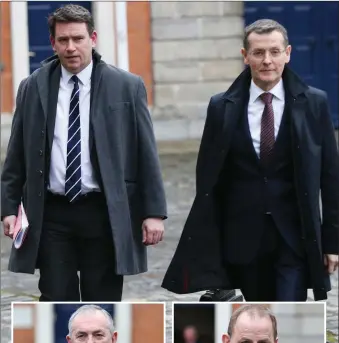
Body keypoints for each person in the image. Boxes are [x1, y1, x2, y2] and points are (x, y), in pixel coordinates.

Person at [162, 19, 339, 301]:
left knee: (288, 309)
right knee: (258, 309)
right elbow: (208, 181)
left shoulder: (314, 103)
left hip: (294, 237)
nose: (267, 60)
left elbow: (331, 178)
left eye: (274, 51)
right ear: (245, 57)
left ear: (288, 53)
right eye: (258, 53)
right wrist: (212, 244)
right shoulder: (221, 106)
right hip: (242, 239)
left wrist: (333, 243)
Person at [1, 4, 167, 301]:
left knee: (102, 299)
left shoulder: (126, 86)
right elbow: (15, 156)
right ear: (53, 43)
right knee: (54, 296)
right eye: (63, 40)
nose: (71, 47)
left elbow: (146, 153)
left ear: (93, 38)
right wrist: (9, 208)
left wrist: (153, 212)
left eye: (77, 39)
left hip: (104, 212)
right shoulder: (32, 87)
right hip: (51, 213)